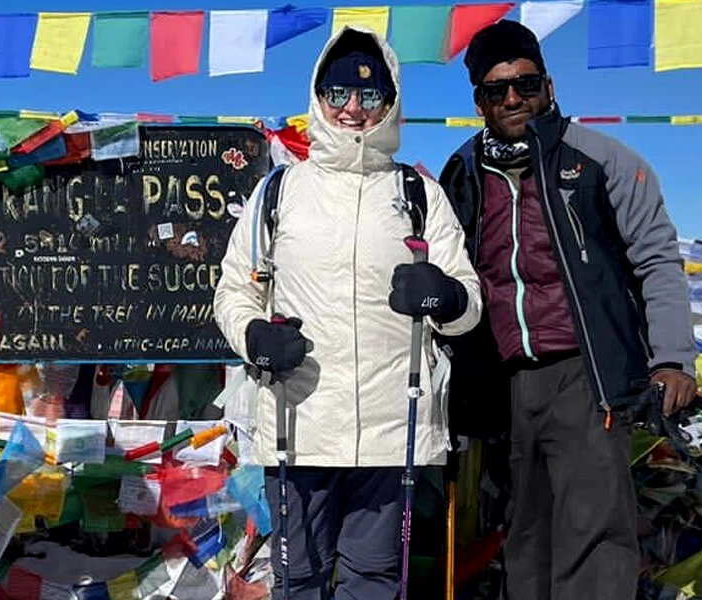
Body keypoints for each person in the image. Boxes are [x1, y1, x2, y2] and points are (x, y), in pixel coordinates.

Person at [214, 26, 483, 600]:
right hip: (299, 424)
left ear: (390, 102)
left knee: (374, 582)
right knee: (298, 579)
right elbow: (234, 290)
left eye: (369, 95)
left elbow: (467, 300)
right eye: (338, 94)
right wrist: (253, 334)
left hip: (391, 433)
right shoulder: (278, 192)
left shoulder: (417, 193)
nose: (354, 109)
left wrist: (446, 297)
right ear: (318, 99)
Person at [437, 20, 701, 600]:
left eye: (525, 84)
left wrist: (674, 358)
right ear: (478, 100)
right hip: (500, 382)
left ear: (548, 86)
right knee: (523, 531)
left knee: (592, 527)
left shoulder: (601, 160)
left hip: (586, 372)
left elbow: (657, 260)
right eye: (496, 89)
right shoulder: (462, 171)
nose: (513, 98)